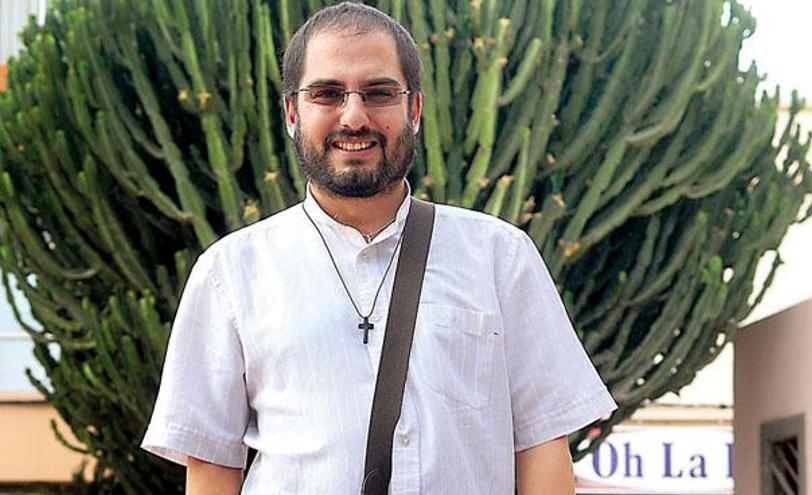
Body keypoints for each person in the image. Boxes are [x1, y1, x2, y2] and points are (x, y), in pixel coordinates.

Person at [141, 2, 616, 493]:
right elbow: (213, 465)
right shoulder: (231, 273)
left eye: (379, 93)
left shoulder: (500, 257)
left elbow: (541, 445)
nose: (354, 116)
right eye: (326, 94)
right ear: (291, 113)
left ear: (413, 109)